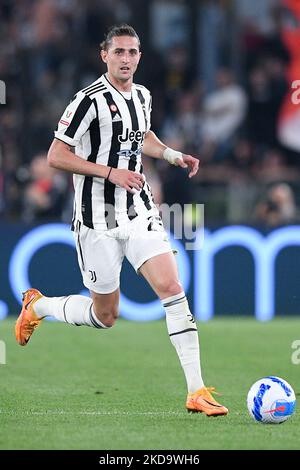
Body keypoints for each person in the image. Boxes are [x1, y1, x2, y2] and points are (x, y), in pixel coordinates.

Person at [15, 24, 228, 417]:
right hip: (96, 220)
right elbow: (56, 155)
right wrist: (109, 173)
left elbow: (141, 134)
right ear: (104, 55)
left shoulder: (143, 95)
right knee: (105, 316)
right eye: (119, 53)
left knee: (171, 286)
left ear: (140, 57)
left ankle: (196, 390)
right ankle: (39, 307)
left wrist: (170, 155)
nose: (126, 59)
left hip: (138, 210)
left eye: (133, 52)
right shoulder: (87, 101)